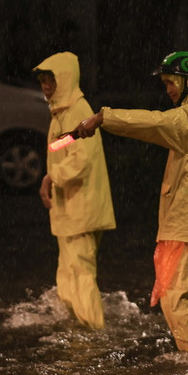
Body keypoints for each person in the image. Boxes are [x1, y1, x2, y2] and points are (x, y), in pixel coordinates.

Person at [73, 51, 188, 354]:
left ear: (187, 80)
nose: (168, 89)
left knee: (174, 293)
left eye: (171, 82)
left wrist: (104, 117)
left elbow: (155, 122)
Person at [34, 51, 115, 330]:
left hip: (82, 208)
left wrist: (51, 178)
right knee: (69, 273)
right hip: (70, 207)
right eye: (43, 80)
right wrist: (52, 177)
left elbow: (81, 160)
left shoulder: (77, 111)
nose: (46, 86)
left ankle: (94, 332)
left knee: (80, 273)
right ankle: (77, 327)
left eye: (51, 80)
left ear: (65, 79)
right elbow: (63, 147)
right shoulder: (61, 112)